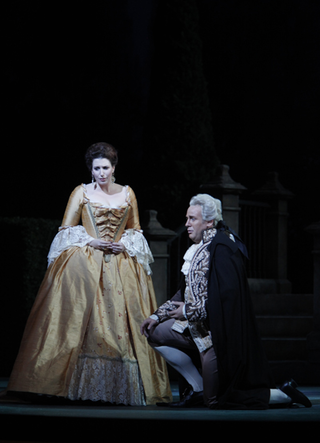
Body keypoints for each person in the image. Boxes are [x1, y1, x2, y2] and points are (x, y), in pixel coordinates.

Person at [7, 142, 172, 406]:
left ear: (114, 167)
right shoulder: (81, 193)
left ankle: (122, 388)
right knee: (84, 320)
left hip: (121, 265)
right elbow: (65, 229)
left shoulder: (128, 193)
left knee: (122, 325)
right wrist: (91, 241)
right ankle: (75, 386)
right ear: (91, 169)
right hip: (85, 264)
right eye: (97, 168)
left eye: (106, 167)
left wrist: (124, 244)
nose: (102, 173)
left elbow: (136, 231)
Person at [140, 194, 312, 410]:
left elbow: (227, 298)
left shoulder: (223, 248)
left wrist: (189, 311)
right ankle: (198, 388)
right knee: (154, 332)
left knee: (218, 401)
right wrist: (157, 316)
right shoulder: (197, 249)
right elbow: (184, 292)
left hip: (217, 338)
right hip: (195, 330)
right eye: (187, 218)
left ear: (209, 222)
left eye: (192, 219)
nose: (186, 224)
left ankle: (284, 394)